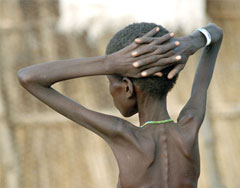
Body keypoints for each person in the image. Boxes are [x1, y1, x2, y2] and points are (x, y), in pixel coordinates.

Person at [17, 22, 223, 188]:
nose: (109, 90)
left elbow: (28, 78)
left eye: (110, 82)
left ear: (127, 87)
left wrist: (108, 63)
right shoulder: (190, 125)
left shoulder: (123, 135)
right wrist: (188, 43)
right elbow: (215, 33)